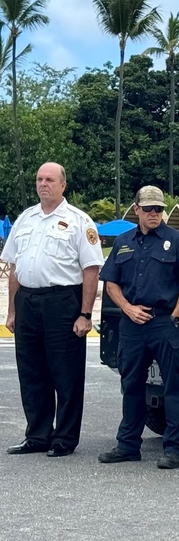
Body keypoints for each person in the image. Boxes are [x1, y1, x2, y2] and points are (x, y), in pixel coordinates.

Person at [1, 162, 104, 457]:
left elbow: (91, 270)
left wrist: (85, 315)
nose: (43, 184)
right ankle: (37, 435)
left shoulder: (79, 221)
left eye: (49, 179)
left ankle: (64, 438)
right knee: (31, 372)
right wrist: (11, 311)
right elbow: (14, 268)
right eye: (39, 179)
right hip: (28, 302)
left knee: (66, 373)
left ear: (63, 185)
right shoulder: (25, 219)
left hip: (62, 302)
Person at [97, 186, 179, 469]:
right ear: (137, 210)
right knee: (131, 385)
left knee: (174, 387)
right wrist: (127, 308)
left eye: (159, 209)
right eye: (149, 209)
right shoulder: (123, 241)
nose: (154, 214)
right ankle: (128, 445)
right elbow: (112, 283)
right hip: (132, 323)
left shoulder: (176, 240)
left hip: (164, 321)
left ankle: (174, 449)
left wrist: (175, 319)